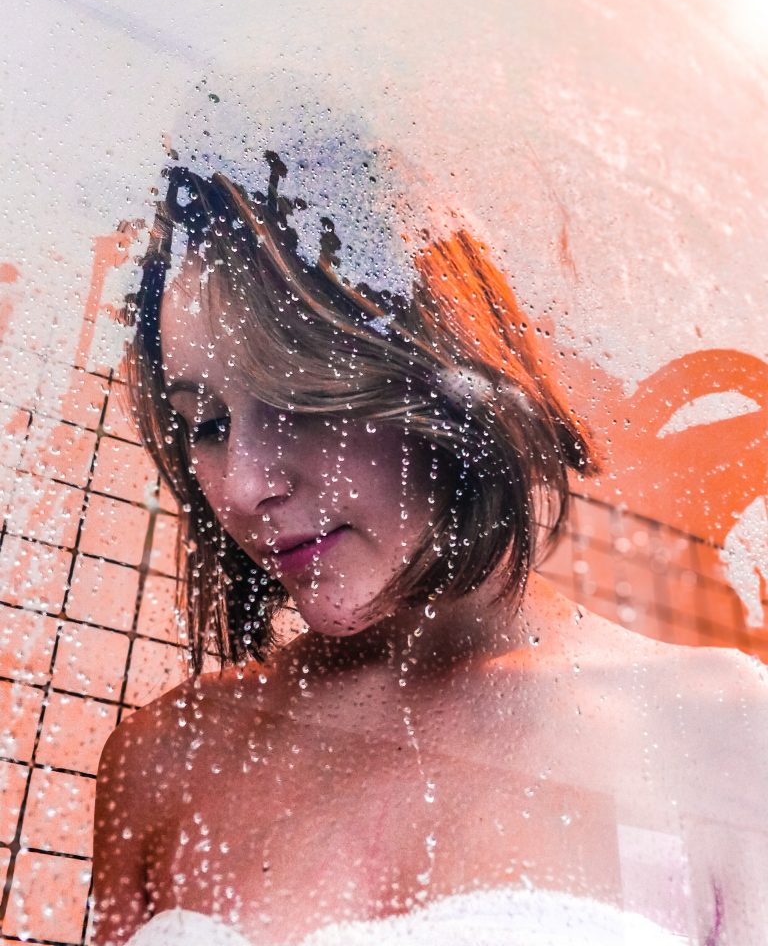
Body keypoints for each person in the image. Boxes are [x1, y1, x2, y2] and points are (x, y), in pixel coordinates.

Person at [91, 149, 768, 946]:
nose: (239, 486)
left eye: (293, 396)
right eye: (206, 422)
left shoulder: (724, 731)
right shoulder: (168, 757)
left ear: (436, 372)